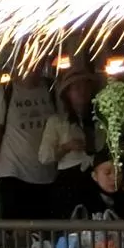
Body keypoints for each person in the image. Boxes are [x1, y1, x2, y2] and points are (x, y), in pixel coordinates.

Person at [0, 72, 56, 219]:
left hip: (48, 173)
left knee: (48, 231)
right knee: (18, 230)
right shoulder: (4, 92)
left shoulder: (51, 88)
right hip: (15, 173)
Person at [39, 65, 105, 218]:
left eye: (85, 87)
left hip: (96, 179)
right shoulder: (57, 122)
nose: (82, 91)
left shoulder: (99, 121)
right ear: (67, 93)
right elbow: (44, 157)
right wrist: (66, 147)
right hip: (69, 181)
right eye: (76, 87)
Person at [78, 151, 124, 219]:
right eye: (107, 173)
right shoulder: (83, 202)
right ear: (94, 176)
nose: (114, 177)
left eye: (119, 172)